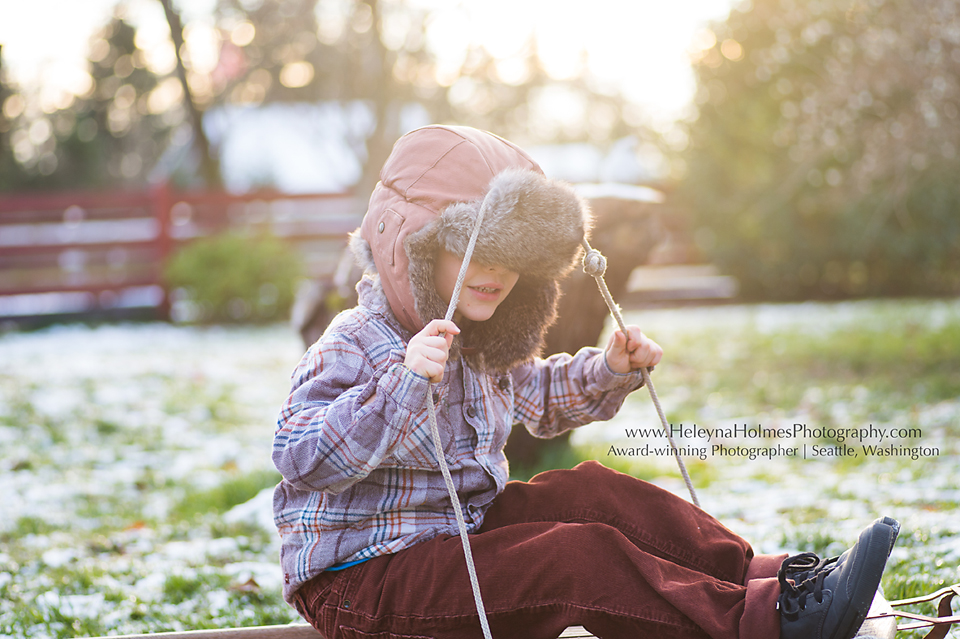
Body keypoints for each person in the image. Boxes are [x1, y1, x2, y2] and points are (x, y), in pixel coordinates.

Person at [272, 125, 899, 639]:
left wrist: (607, 370)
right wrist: (405, 385)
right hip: (363, 582)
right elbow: (302, 456)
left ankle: (774, 584)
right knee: (572, 559)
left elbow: (538, 397)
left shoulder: (476, 337)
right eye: (472, 250)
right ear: (410, 247)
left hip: (461, 536)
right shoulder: (354, 341)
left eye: (512, 257)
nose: (495, 272)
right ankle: (756, 627)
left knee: (593, 493)